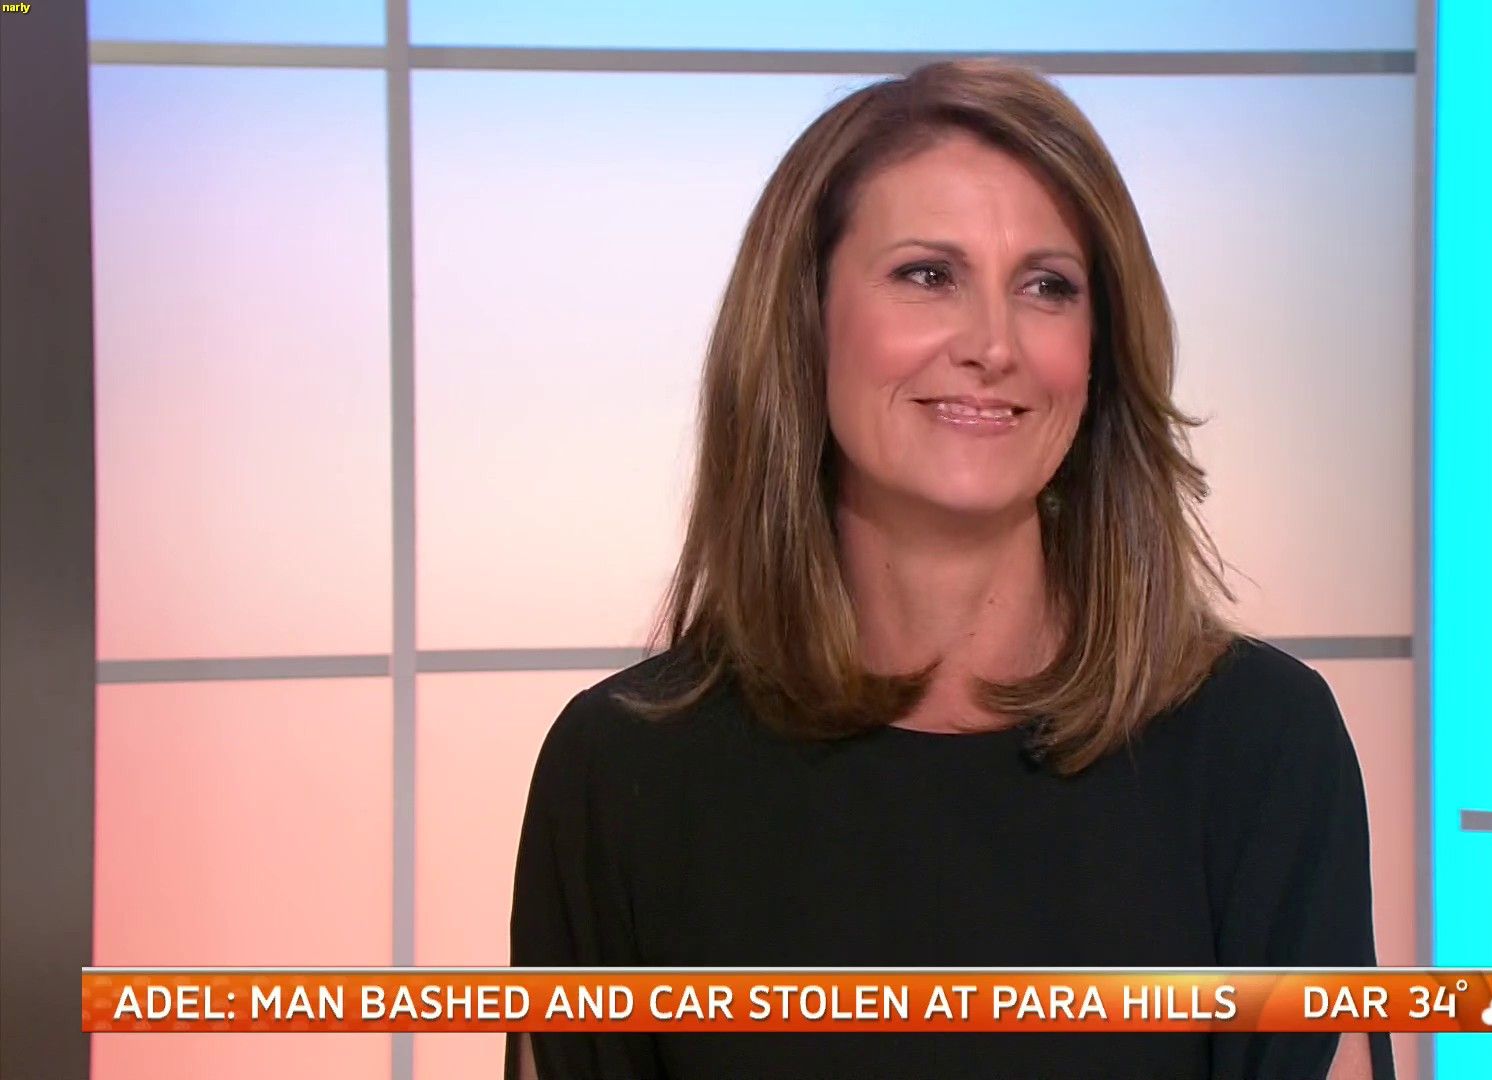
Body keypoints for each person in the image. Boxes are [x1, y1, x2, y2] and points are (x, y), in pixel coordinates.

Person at [507, 58, 1393, 1080]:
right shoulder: (620, 773)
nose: (993, 344)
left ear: (1098, 353)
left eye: (1047, 287)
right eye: (930, 275)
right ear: (805, 320)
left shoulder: (1260, 747)